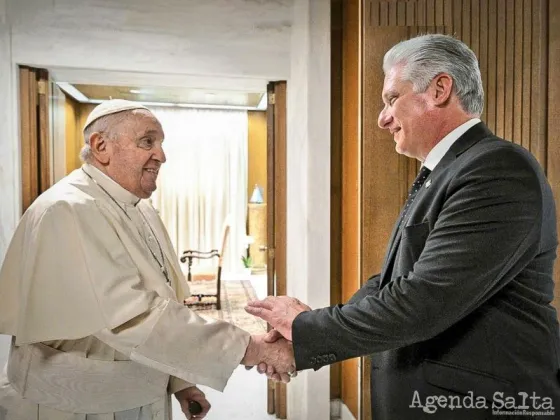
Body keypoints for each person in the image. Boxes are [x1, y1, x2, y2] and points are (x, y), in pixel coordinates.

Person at [246, 34, 560, 419]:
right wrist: (305, 336)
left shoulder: (496, 169)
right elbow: (391, 284)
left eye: (392, 99)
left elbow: (424, 300)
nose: (382, 118)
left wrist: (307, 327)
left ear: (439, 89)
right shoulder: (448, 171)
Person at [0, 99, 295, 419]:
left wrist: (180, 382)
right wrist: (253, 348)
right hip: (77, 404)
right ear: (101, 146)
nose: (161, 155)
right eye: (147, 141)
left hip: (142, 395)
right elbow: (131, 316)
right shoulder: (68, 209)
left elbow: (164, 301)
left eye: (161, 143)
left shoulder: (140, 207)